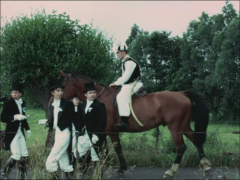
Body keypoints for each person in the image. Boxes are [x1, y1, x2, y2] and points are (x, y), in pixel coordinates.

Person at [45, 79, 80, 180]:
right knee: (63, 160)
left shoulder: (67, 104)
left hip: (65, 133)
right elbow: (53, 121)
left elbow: (74, 118)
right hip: (57, 133)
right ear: (53, 92)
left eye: (61, 90)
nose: (60, 92)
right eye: (58, 90)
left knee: (51, 160)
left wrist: (80, 132)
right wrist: (47, 122)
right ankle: (69, 177)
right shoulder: (51, 106)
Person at [1, 82, 31, 180]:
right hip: (12, 132)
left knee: (24, 154)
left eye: (16, 92)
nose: (14, 94)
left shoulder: (23, 103)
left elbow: (24, 117)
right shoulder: (8, 103)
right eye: (12, 92)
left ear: (20, 94)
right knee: (16, 154)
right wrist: (14, 117)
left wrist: (28, 129)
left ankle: (23, 175)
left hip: (20, 132)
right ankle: (4, 173)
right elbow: (3, 118)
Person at [109, 45, 143, 127]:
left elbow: (126, 77)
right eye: (116, 53)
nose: (117, 55)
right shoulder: (125, 62)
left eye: (118, 52)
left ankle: (124, 121)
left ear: (123, 52)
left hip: (133, 84)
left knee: (120, 97)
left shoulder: (130, 62)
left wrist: (116, 83)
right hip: (128, 84)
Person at [78, 82, 107, 174]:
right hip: (84, 134)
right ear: (85, 94)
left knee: (96, 155)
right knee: (80, 153)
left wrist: (96, 134)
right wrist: (80, 133)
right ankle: (85, 171)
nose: (93, 94)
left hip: (95, 135)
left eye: (94, 92)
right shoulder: (82, 105)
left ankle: (98, 174)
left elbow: (102, 121)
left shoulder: (100, 105)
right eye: (90, 93)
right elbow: (81, 120)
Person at [70, 97, 82, 169]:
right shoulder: (69, 109)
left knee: (78, 147)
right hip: (71, 130)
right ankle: (73, 162)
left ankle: (79, 163)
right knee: (73, 147)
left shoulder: (81, 109)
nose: (77, 101)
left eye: (78, 99)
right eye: (76, 99)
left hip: (78, 131)